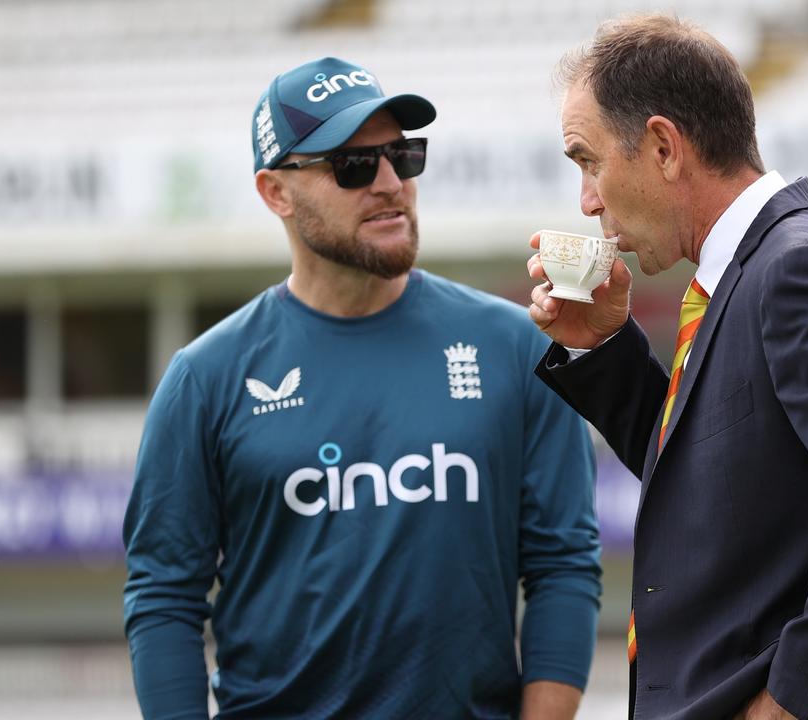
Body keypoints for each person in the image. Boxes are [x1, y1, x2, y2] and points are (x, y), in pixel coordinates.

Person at [123, 56, 601, 719]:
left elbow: (564, 566)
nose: (388, 183)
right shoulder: (206, 378)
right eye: (352, 165)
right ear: (275, 192)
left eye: (402, 156)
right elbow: (163, 599)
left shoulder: (519, 347)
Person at [527, 15, 808, 720]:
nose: (587, 200)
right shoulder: (746, 274)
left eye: (587, 160)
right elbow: (718, 481)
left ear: (663, 146)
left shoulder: (797, 266)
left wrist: (789, 698)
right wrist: (603, 348)